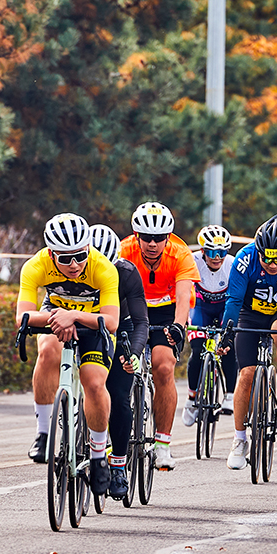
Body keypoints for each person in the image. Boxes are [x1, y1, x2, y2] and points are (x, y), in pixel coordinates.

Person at [16, 213, 120, 496]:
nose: (74, 265)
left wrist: (71, 316)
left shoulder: (103, 268)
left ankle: (99, 456)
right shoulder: (36, 265)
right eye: (65, 259)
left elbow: (111, 322)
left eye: (80, 256)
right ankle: (43, 433)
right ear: (51, 254)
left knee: (95, 383)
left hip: (91, 324)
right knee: (48, 350)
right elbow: (23, 316)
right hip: (54, 319)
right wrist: (56, 319)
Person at [223, 215, 277, 470]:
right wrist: (228, 331)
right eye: (267, 258)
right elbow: (234, 301)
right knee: (246, 375)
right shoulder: (245, 259)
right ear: (258, 251)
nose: (272, 264)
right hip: (249, 313)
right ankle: (239, 440)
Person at [118, 202, 197, 471]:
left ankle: (162, 446)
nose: (152, 244)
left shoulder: (181, 253)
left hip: (166, 311)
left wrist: (178, 326)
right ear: (136, 236)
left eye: (159, 238)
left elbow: (184, 297)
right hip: (132, 306)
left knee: (163, 366)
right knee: (120, 365)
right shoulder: (123, 251)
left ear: (168, 237)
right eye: (146, 238)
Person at [89, 224, 149, 501]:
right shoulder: (76, 267)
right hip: (86, 327)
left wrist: (135, 354)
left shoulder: (126, 272)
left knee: (119, 398)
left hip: (120, 327)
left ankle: (118, 464)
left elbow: (140, 321)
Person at [182, 225, 239, 427]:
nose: (217, 257)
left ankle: (230, 395)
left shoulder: (232, 264)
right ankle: (191, 398)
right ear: (203, 251)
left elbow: (238, 297)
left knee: (227, 347)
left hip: (224, 307)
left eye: (222, 252)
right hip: (200, 308)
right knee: (197, 350)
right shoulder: (191, 260)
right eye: (213, 252)